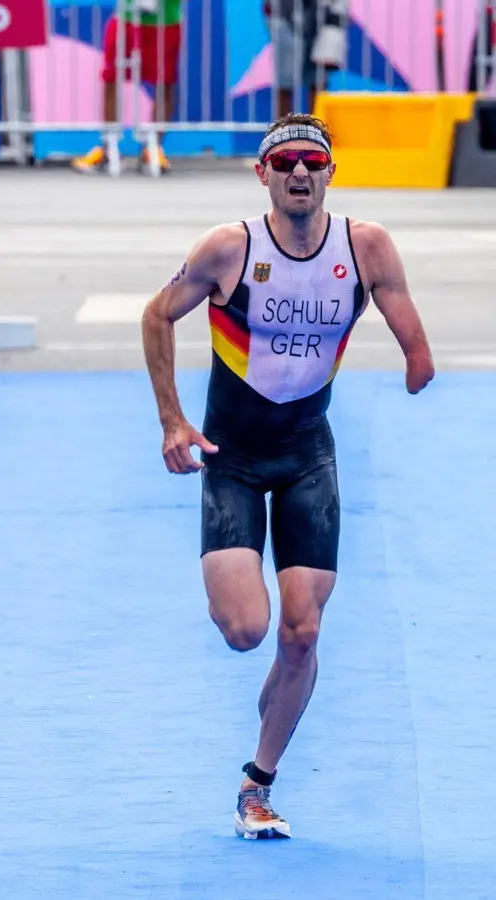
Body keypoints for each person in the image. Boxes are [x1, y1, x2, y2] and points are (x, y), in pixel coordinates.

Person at [139, 113, 434, 840]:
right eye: (285, 162)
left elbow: (411, 333)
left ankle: (257, 783)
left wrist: (417, 363)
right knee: (248, 631)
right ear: (263, 174)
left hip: (307, 455)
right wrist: (174, 422)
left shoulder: (366, 247)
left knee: (301, 633)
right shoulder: (228, 248)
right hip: (231, 458)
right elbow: (156, 315)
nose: (299, 172)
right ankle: (278, 690)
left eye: (313, 161)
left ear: (332, 171)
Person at [73, 0, 183, 174]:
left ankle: (153, 149)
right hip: (126, 19)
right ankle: (109, 147)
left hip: (166, 21)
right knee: (111, 78)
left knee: (164, 82)